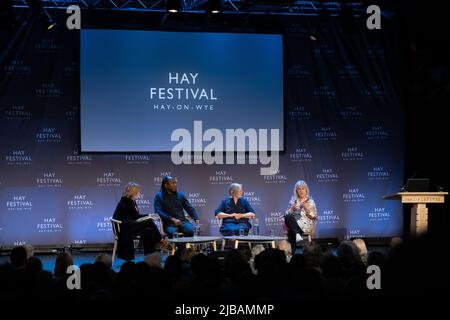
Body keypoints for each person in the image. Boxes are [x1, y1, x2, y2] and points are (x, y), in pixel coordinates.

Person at [113, 182, 162, 260]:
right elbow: (133, 218)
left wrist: (149, 215)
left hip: (130, 224)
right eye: (138, 192)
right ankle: (160, 240)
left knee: (148, 231)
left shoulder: (131, 201)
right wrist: (148, 217)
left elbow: (135, 216)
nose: (140, 193)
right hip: (124, 227)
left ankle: (149, 257)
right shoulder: (126, 202)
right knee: (149, 222)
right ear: (134, 192)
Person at [284, 180, 318, 252]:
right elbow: (286, 214)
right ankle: (297, 235)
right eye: (299, 189)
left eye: (303, 189)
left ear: (306, 190)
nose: (301, 191)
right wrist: (291, 208)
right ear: (296, 191)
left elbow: (314, 216)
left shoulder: (310, 201)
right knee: (288, 217)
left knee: (291, 232)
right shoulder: (293, 201)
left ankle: (292, 253)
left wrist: (306, 208)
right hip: (295, 225)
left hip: (305, 225)